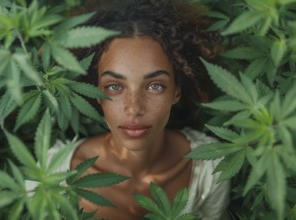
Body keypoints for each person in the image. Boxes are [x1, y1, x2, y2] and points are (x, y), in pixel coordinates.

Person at [45, 0, 230, 219]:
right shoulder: (53, 173)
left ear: (176, 92)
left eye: (155, 86)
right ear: (96, 93)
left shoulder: (211, 166)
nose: (134, 108)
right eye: (115, 87)